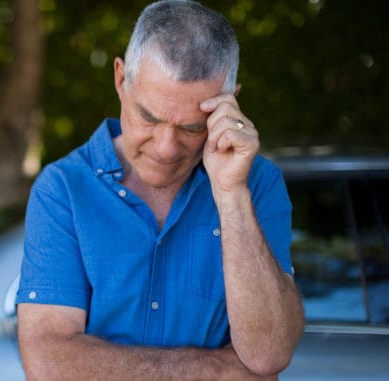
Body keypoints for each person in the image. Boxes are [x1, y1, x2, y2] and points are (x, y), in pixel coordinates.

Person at [15, 0, 304, 379]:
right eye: (148, 117)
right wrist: (218, 371)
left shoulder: (258, 185)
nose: (166, 148)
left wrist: (232, 195)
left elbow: (267, 355)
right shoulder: (63, 189)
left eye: (192, 127)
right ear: (121, 79)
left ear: (229, 103)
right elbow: (50, 363)